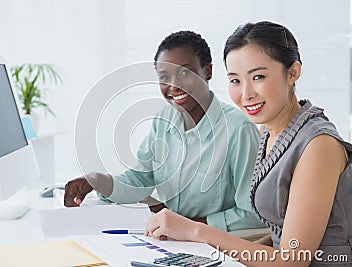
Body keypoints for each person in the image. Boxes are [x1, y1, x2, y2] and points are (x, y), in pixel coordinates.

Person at [144, 21, 352, 267]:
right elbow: (281, 237)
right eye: (235, 81)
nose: (246, 94)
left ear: (293, 73)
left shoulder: (318, 145)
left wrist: (196, 231)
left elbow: (293, 260)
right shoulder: (271, 131)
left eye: (258, 77)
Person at [65, 31, 265, 232]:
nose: (174, 85)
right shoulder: (163, 120)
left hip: (216, 245)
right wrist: (97, 181)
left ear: (208, 71)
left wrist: (187, 226)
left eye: (185, 73)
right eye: (164, 77)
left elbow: (252, 214)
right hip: (171, 239)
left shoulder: (238, 129)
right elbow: (139, 180)